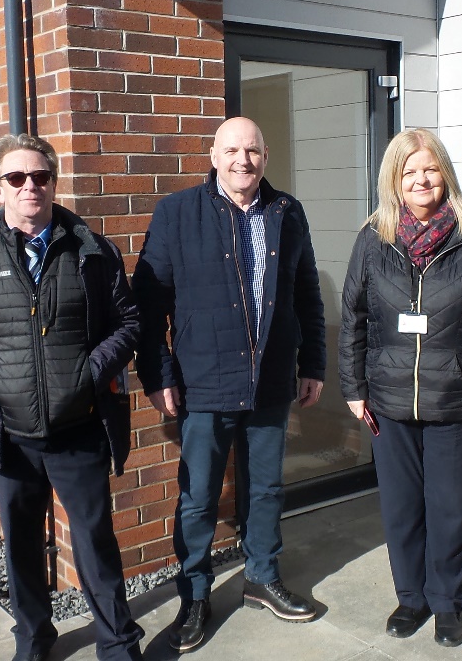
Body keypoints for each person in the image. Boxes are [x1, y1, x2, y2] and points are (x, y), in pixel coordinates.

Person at [0, 133, 145, 661]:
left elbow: (129, 323)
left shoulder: (93, 252)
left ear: (54, 182)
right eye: (17, 178)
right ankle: (33, 639)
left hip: (80, 429)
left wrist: (89, 374)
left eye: (41, 176)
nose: (31, 187)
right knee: (22, 547)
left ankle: (117, 644)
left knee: (95, 543)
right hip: (12, 435)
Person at [133, 116, 326, 652]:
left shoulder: (287, 213)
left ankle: (262, 576)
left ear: (266, 155)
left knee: (265, 488)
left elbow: (306, 293)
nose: (244, 160)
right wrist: (158, 374)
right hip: (204, 383)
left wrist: (312, 362)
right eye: (233, 150)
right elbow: (149, 304)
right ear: (214, 155)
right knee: (197, 497)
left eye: (254, 151)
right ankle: (194, 596)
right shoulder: (178, 212)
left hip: (269, 381)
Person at [338, 128, 462, 648]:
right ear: (394, 180)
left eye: (430, 168)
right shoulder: (374, 237)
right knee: (400, 508)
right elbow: (351, 315)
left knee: (448, 506)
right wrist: (353, 386)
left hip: (458, 400)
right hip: (389, 399)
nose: (421, 179)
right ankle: (410, 598)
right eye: (409, 171)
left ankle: (445, 601)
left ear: (446, 173)